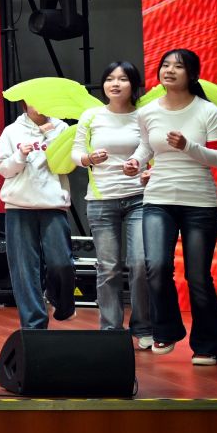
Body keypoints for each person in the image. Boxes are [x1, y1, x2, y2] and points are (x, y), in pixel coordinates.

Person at [133, 48, 217, 364]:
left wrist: (188, 146)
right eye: (165, 65)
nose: (170, 70)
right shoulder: (147, 111)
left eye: (178, 66)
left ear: (193, 74)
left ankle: (209, 344)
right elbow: (146, 146)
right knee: (156, 266)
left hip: (198, 202)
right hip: (158, 198)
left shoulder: (208, 111)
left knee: (197, 276)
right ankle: (167, 329)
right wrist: (135, 162)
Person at [75, 62, 149, 337]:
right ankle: (111, 329)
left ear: (134, 84)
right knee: (108, 268)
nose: (115, 84)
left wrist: (141, 165)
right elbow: (76, 154)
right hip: (101, 199)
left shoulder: (144, 116)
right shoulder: (91, 116)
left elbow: (151, 149)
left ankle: (142, 327)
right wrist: (89, 158)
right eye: (109, 79)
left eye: (123, 79)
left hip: (139, 197)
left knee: (141, 264)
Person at [0, 100, 76, 331]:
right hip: (18, 205)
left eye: (44, 100)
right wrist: (20, 155)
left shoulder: (61, 128)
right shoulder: (12, 131)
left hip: (53, 204)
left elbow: (66, 166)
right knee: (24, 269)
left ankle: (60, 300)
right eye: (33, 101)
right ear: (24, 104)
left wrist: (49, 138)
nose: (39, 105)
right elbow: (3, 169)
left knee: (61, 262)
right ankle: (34, 325)